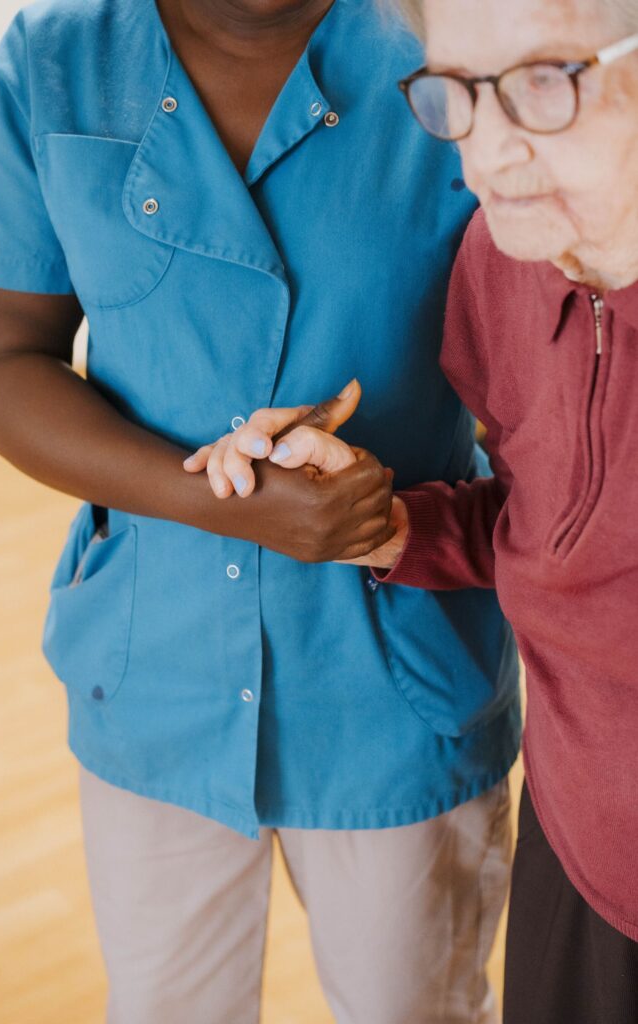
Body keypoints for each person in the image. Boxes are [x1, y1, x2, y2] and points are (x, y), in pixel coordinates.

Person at [0, 0, 521, 1021]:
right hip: (153, 667)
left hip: (396, 684)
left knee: (418, 1006)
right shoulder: (58, 58)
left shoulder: (449, 49)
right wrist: (220, 503)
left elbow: (546, 363)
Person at [202, 0, 638, 1019]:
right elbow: (543, 520)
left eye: (543, 82)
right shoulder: (499, 265)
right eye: (457, 95)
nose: (483, 156)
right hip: (577, 848)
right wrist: (389, 523)